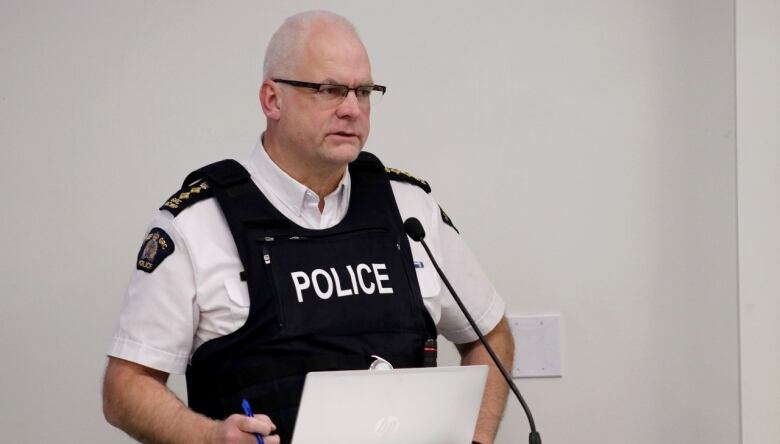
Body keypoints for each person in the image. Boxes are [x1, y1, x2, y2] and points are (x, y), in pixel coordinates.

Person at [103, 10, 514, 444]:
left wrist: (476, 440)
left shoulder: (409, 209)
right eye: (330, 90)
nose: (352, 109)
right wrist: (209, 437)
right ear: (272, 100)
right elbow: (124, 388)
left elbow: (493, 336)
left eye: (364, 91)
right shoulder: (198, 223)